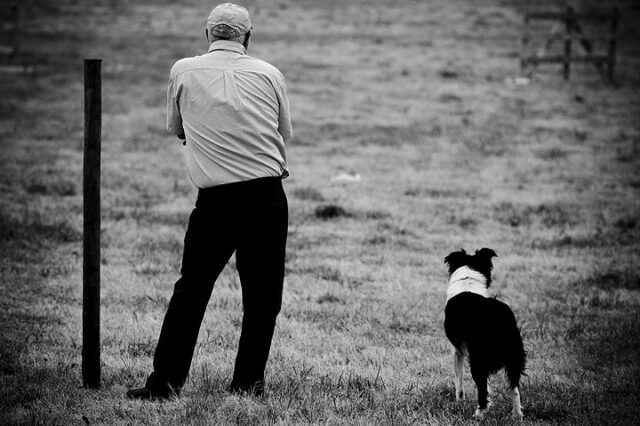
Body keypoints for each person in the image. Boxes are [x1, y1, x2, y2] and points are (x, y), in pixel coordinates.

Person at [127, 2, 292, 400]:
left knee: (192, 289)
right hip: (267, 196)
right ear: (247, 38)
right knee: (262, 297)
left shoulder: (182, 70)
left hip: (215, 201)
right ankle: (247, 385)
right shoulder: (270, 74)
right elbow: (283, 131)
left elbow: (178, 128)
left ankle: (165, 382)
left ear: (207, 35)